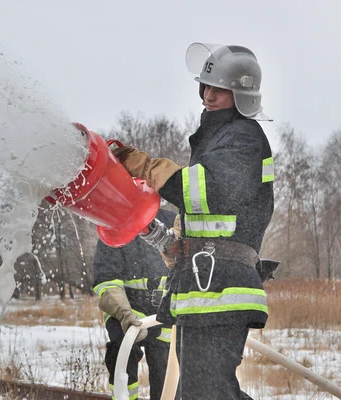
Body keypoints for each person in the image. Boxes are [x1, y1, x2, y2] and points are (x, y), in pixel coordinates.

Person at [112, 43, 275, 400]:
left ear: (241, 94)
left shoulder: (242, 138)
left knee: (208, 392)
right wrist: (172, 244)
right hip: (203, 286)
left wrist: (145, 166)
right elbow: (211, 219)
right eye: (205, 86)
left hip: (222, 288)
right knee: (197, 393)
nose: (208, 95)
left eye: (219, 88)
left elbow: (201, 191)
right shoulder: (218, 138)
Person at [93, 208, 176, 400]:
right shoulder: (113, 227)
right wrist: (125, 314)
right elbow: (107, 282)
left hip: (164, 315)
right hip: (126, 314)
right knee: (121, 353)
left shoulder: (171, 222)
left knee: (167, 375)